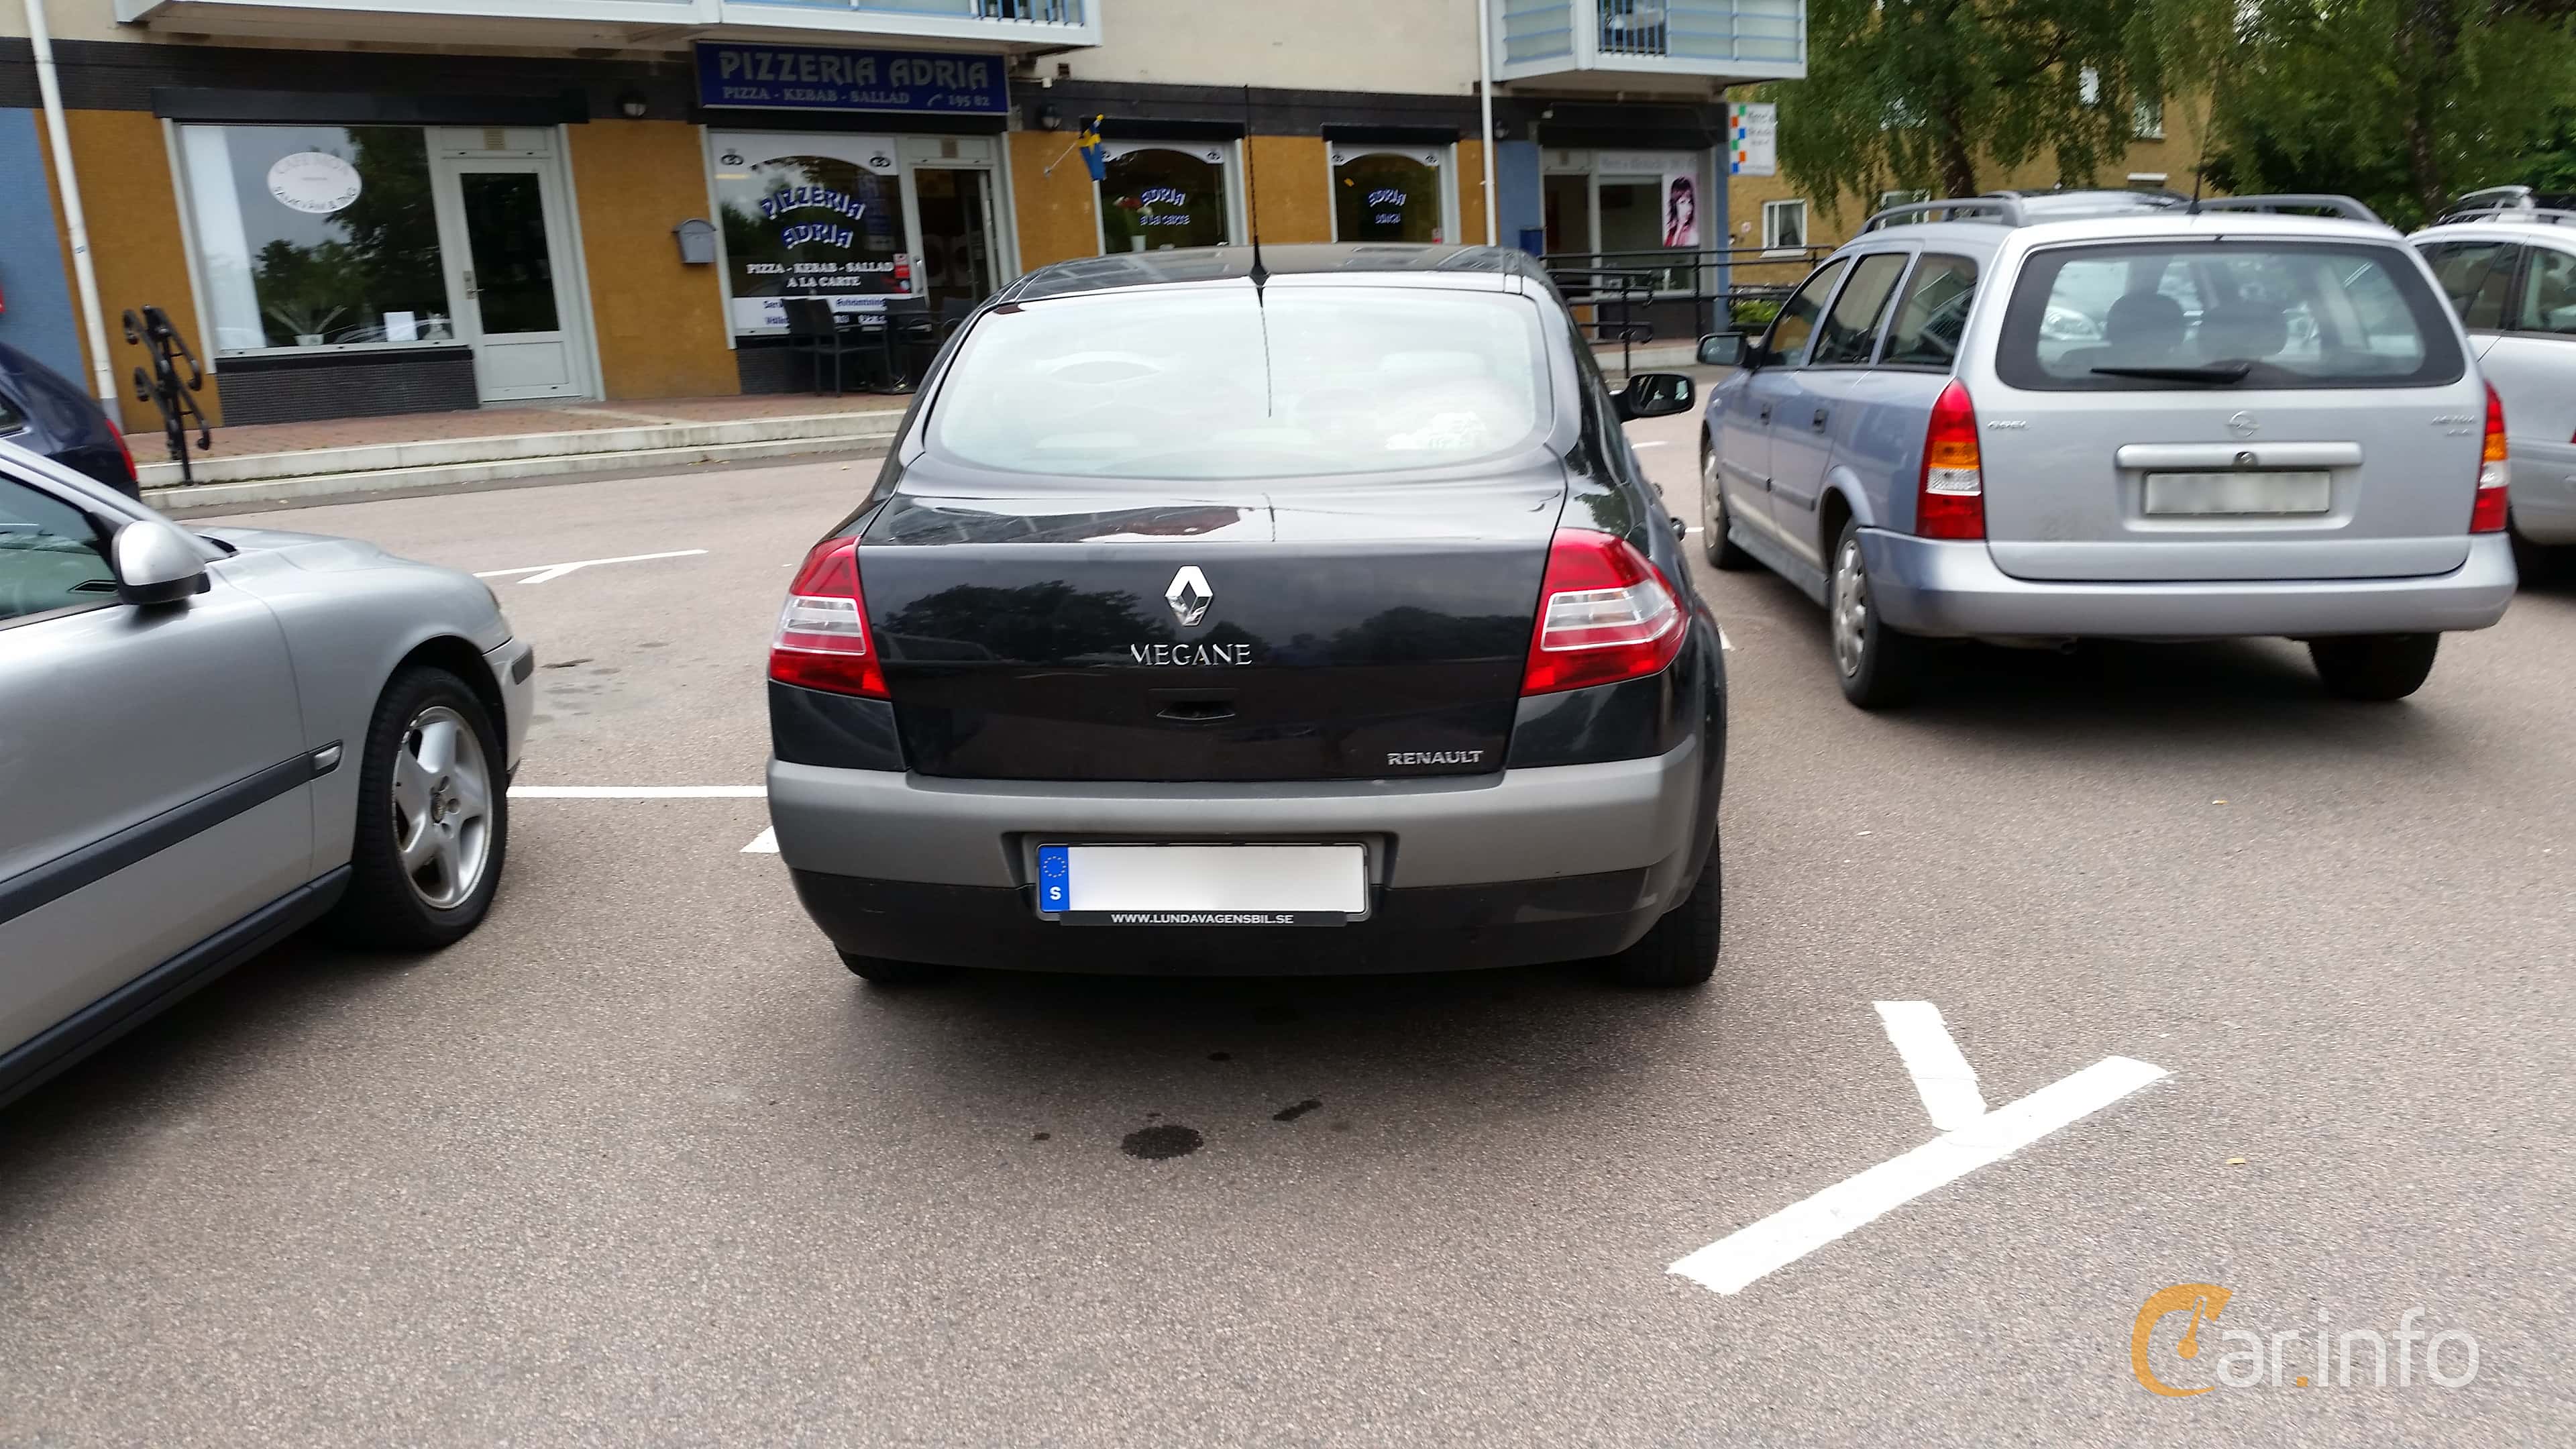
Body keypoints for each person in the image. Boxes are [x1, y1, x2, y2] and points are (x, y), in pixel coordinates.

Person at [1664, 176, 1699, 248]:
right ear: (1674, 205)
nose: (1689, 208)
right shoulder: (1672, 232)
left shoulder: (1692, 235)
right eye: (1682, 202)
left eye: (1690, 202)